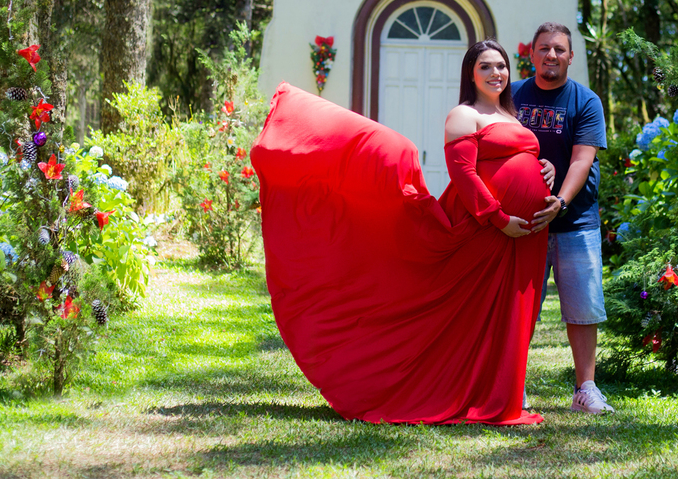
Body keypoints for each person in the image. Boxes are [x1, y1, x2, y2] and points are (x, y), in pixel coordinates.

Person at [250, 39, 557, 425]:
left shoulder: (512, 117)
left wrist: (541, 165)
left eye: (501, 66)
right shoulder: (463, 115)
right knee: (466, 313)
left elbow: (513, 158)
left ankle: (500, 395)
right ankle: (443, 392)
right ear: (471, 74)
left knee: (511, 314)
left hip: (525, 234)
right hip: (487, 230)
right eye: (485, 67)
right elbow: (463, 175)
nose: (496, 73)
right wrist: (498, 218)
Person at [512, 22, 613, 415]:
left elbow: (582, 159)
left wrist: (561, 200)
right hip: (523, 224)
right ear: (531, 54)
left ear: (571, 57)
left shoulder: (585, 101)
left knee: (583, 306)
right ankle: (511, 387)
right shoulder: (513, 95)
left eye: (559, 49)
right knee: (519, 309)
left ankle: (585, 389)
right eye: (544, 49)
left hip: (576, 220)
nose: (551, 55)